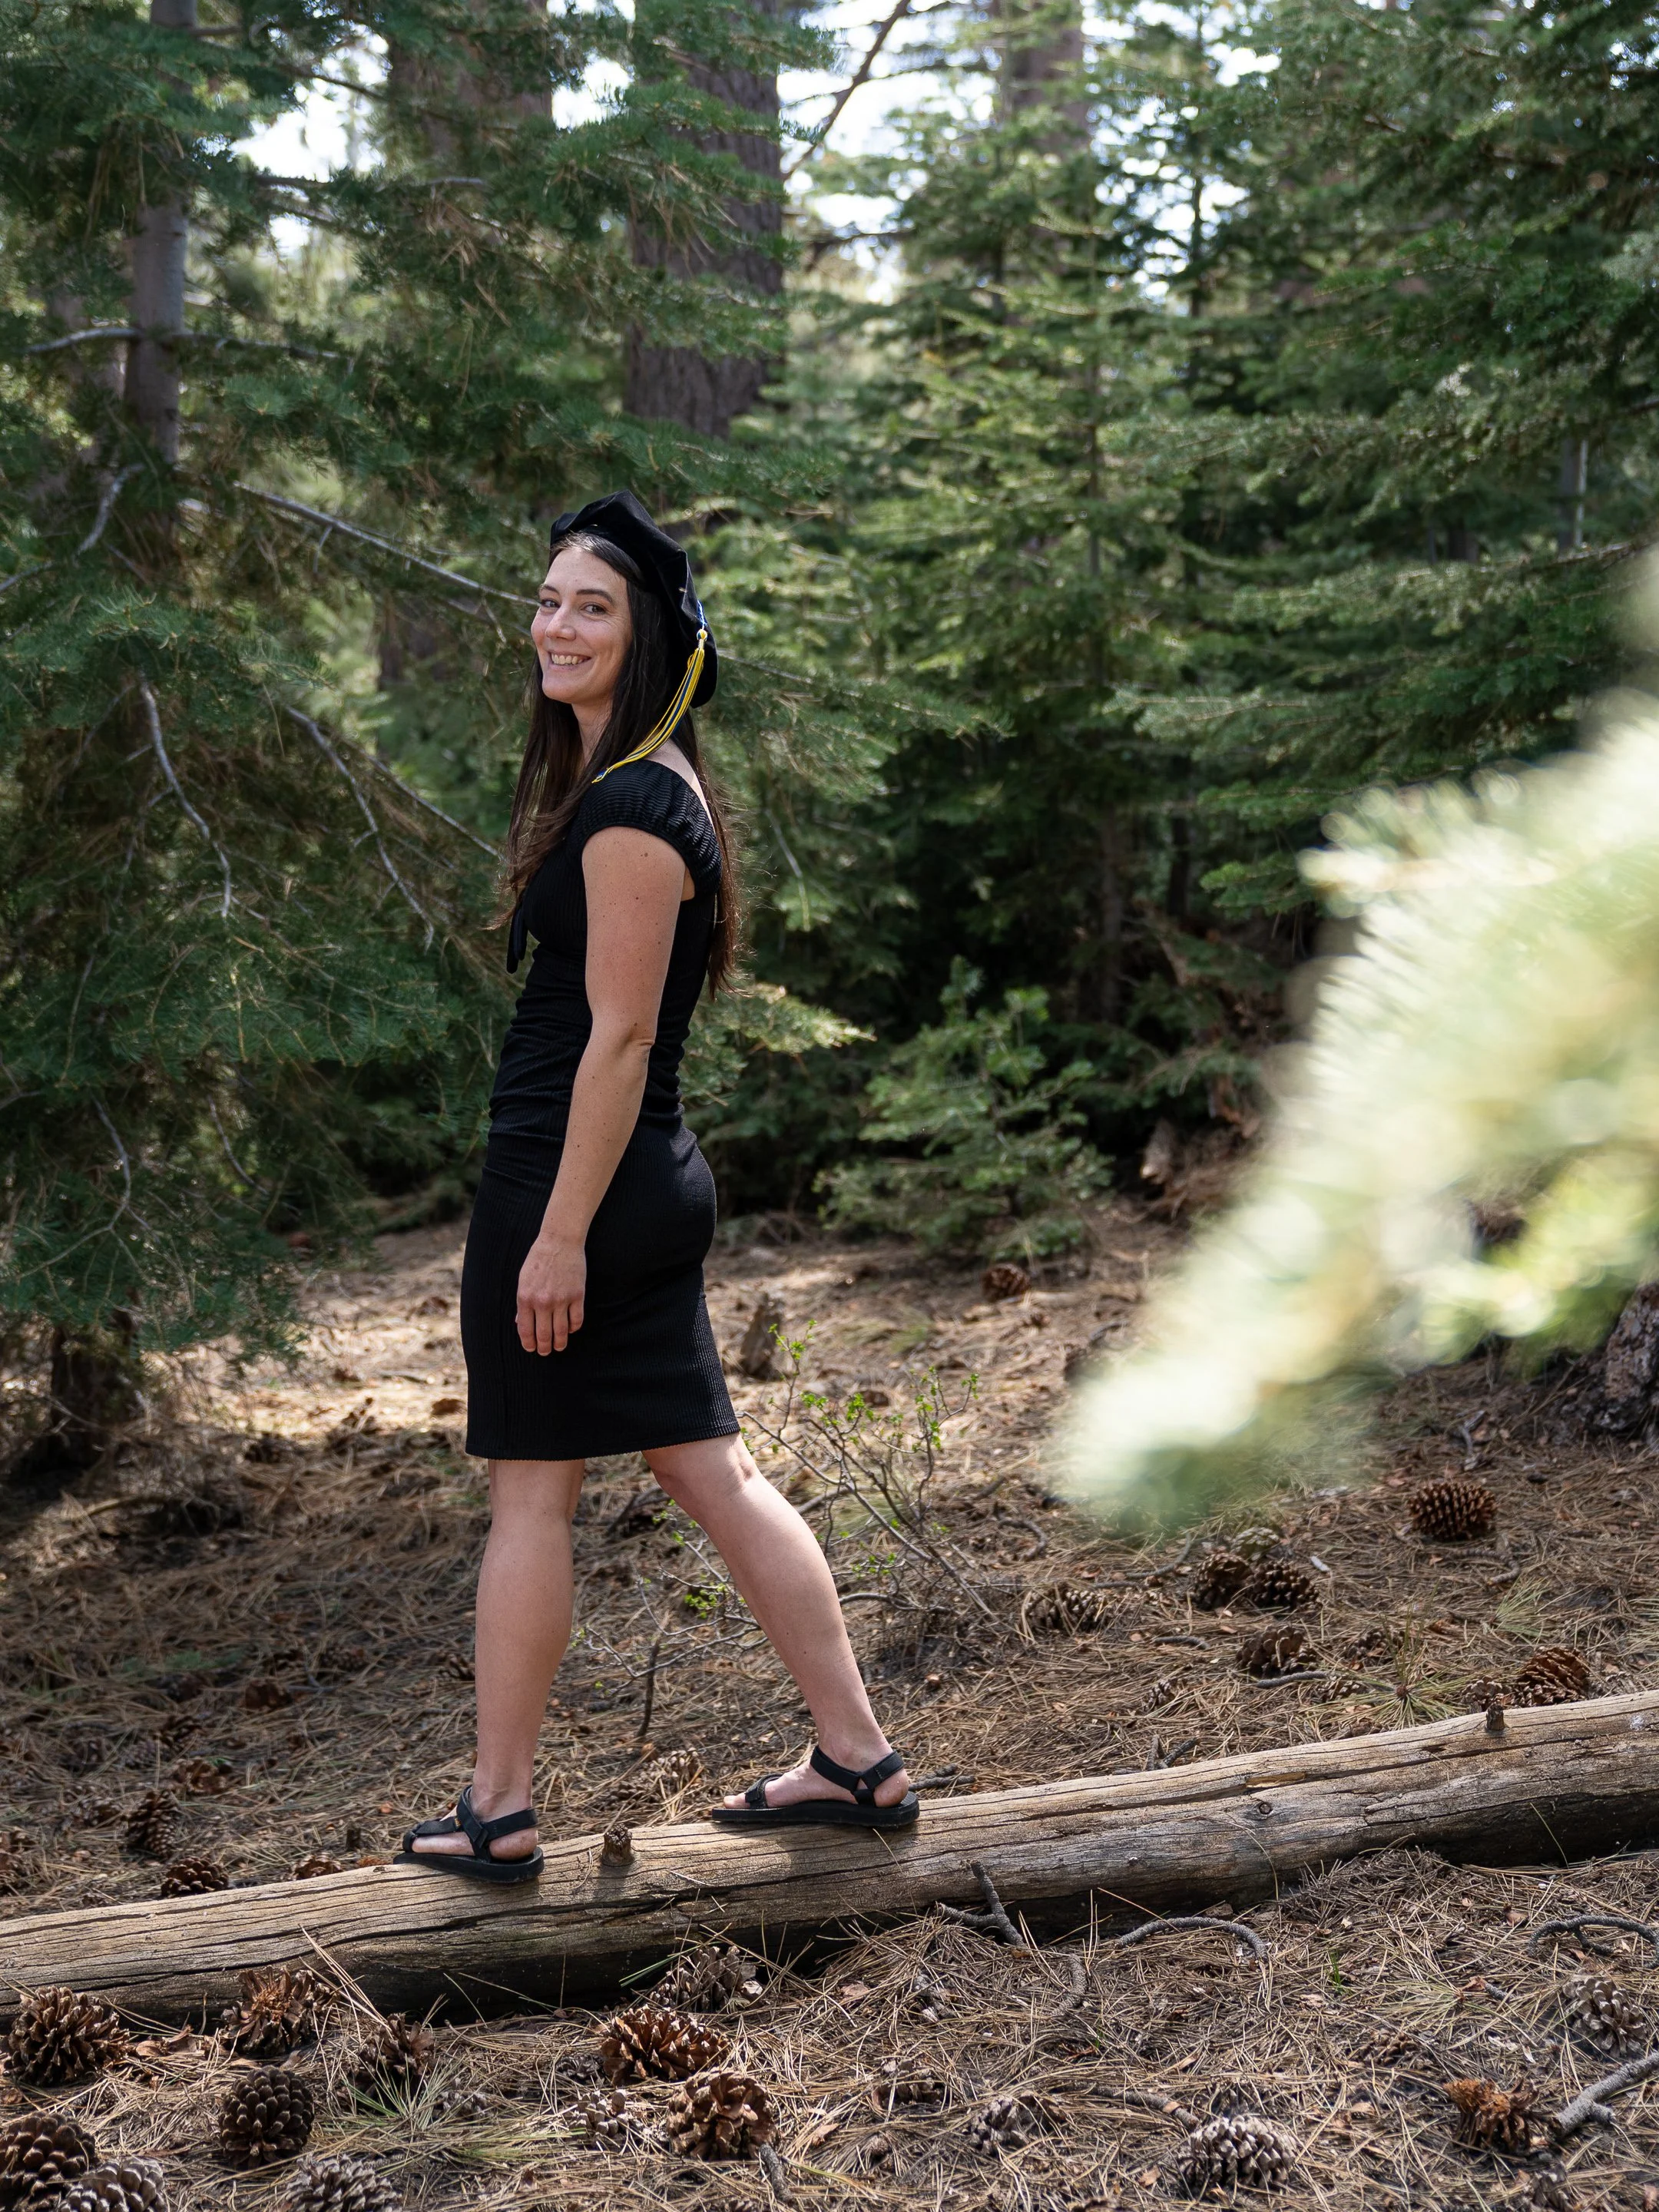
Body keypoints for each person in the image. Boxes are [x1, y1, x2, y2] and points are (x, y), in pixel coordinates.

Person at [398, 492, 916, 1883]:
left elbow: (619, 1038)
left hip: (578, 1188)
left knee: (531, 1498)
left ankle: (498, 1808)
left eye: (592, 607)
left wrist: (556, 1234)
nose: (555, 626)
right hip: (631, 1183)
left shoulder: (632, 808)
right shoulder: (635, 789)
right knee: (717, 1474)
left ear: (647, 645)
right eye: (550, 598)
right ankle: (856, 1759)